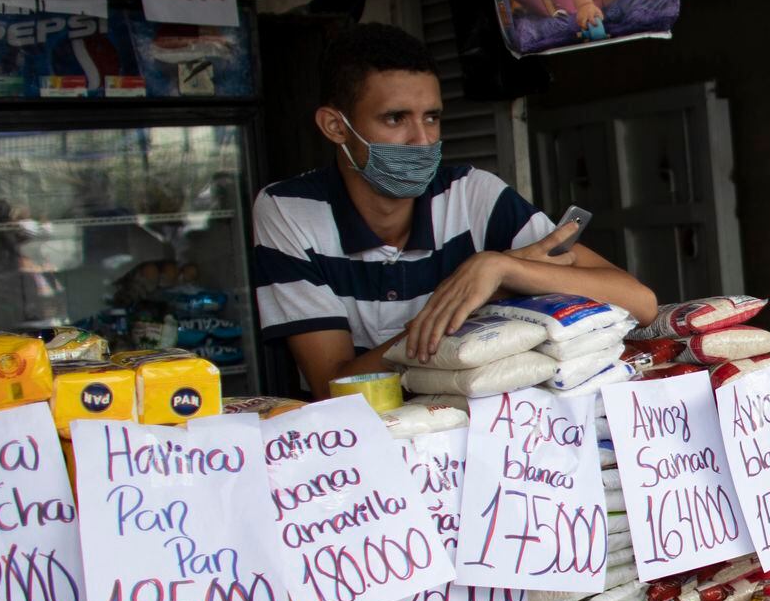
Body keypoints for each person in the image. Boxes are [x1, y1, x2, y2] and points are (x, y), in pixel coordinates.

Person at [253, 22, 656, 397]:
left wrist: (501, 268)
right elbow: (335, 388)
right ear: (335, 127)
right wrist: (472, 304)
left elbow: (639, 302)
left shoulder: (472, 194)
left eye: (432, 117)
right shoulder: (289, 211)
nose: (422, 140)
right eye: (395, 119)